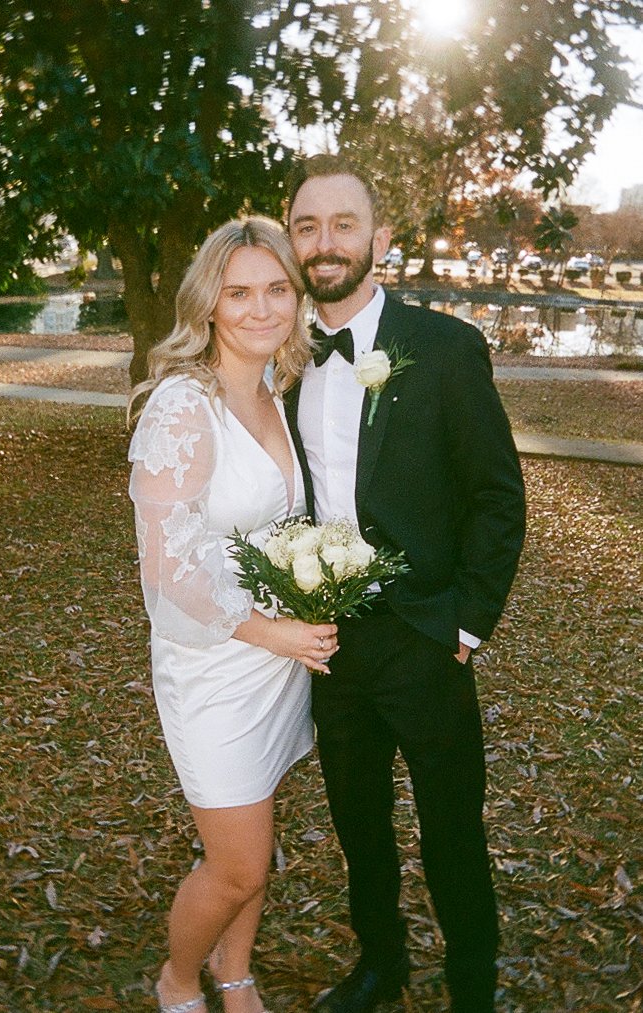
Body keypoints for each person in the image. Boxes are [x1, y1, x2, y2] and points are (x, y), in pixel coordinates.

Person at [283, 155, 526, 1013]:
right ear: (292, 240)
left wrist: (466, 625)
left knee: (453, 829)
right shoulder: (280, 356)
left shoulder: (447, 348)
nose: (325, 243)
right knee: (359, 826)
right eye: (307, 226)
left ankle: (472, 986)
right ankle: (381, 964)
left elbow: (498, 497)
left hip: (427, 636)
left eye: (343, 223)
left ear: (380, 239)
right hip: (331, 640)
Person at [127, 216, 338, 1013]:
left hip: (275, 664)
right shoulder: (184, 406)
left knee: (256, 824)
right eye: (239, 291)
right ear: (208, 303)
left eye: (276, 289)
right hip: (213, 666)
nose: (260, 308)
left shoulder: (274, 394)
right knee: (240, 864)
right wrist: (270, 629)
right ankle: (179, 976)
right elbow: (169, 561)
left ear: (296, 297)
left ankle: (235, 970)